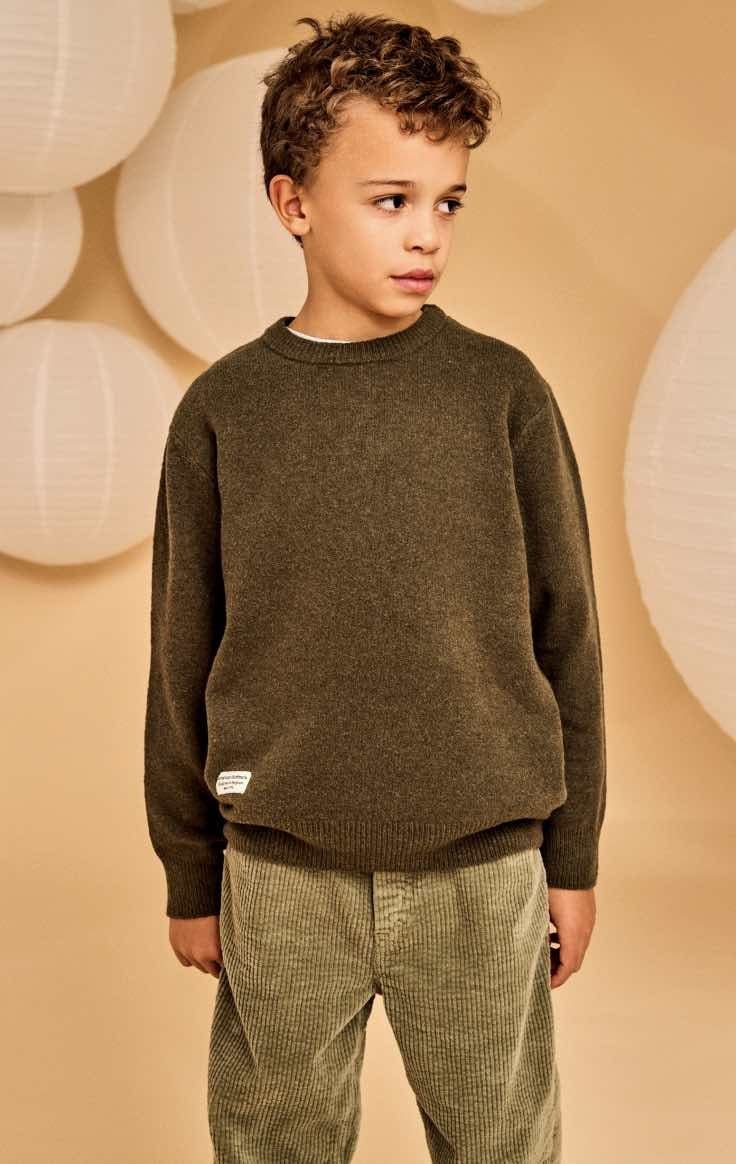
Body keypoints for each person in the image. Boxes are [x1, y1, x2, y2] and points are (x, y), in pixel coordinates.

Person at [143, 12, 606, 1163]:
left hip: (483, 868)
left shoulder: (501, 393)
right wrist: (191, 872)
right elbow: (182, 652)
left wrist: (572, 857)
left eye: (447, 203)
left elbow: (568, 637)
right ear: (293, 202)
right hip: (279, 871)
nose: (426, 235)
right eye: (391, 199)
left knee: (501, 1145)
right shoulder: (224, 412)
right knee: (274, 1145)